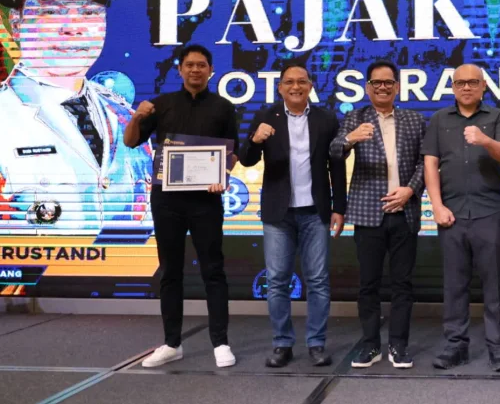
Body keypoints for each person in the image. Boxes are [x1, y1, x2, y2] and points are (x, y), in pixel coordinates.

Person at [0, 0, 151, 232]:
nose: (73, 27)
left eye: (89, 12)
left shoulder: (124, 115)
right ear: (16, 24)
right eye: (53, 12)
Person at [124, 44, 239, 368]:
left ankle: (221, 343)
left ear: (210, 70)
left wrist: (222, 176)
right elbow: (130, 141)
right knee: (170, 271)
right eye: (190, 65)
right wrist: (138, 115)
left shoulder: (223, 107)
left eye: (201, 65)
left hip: (206, 201)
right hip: (167, 200)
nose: (195, 70)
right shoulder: (161, 105)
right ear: (180, 69)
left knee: (213, 271)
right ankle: (171, 343)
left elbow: (232, 153)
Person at [238, 60, 347, 368]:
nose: (296, 87)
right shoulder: (265, 116)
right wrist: (254, 140)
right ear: (280, 87)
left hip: (315, 211)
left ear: (310, 86)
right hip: (278, 213)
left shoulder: (326, 119)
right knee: (277, 281)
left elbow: (336, 165)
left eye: (302, 81)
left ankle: (316, 343)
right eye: (289, 82)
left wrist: (339, 207)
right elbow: (246, 160)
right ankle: (282, 343)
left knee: (318, 280)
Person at [330, 60, 426, 369]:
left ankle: (398, 345)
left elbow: (426, 162)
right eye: (376, 82)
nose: (382, 87)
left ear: (397, 86)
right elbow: (333, 151)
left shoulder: (414, 119)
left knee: (403, 284)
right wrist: (350, 138)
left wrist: (410, 190)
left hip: (405, 211)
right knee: (368, 284)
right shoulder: (355, 117)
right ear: (367, 87)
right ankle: (370, 345)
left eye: (388, 82)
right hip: (367, 213)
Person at [422, 63, 500, 372]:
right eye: (460, 82)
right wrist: (437, 205)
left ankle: (498, 349)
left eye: (473, 82)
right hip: (452, 212)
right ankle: (455, 346)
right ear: (452, 87)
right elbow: (430, 164)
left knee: (494, 284)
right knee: (454, 284)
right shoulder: (439, 119)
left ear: (483, 86)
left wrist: (485, 140)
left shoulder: (497, 117)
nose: (466, 87)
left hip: (490, 211)